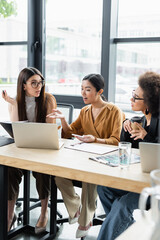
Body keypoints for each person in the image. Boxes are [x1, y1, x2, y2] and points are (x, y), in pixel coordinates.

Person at [47, 73, 124, 238]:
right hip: (84, 157)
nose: (83, 93)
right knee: (59, 175)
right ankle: (75, 209)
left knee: (89, 177)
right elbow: (69, 134)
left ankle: (86, 219)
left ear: (99, 91)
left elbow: (116, 141)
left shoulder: (114, 111)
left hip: (104, 160)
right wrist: (63, 120)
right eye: (82, 89)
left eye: (87, 89)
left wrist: (95, 139)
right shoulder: (84, 111)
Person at [97, 71, 160, 240]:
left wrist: (146, 136)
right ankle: (124, 231)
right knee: (103, 187)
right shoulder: (137, 121)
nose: (131, 100)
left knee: (122, 204)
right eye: (132, 95)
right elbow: (126, 151)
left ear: (150, 102)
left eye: (136, 98)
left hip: (154, 185)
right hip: (137, 178)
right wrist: (125, 130)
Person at [2, 67, 57, 233]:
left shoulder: (48, 99)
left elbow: (50, 130)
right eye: (33, 83)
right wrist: (16, 104)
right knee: (9, 170)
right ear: (23, 85)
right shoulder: (16, 101)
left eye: (40, 83)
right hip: (23, 150)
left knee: (42, 171)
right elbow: (18, 131)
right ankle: (9, 215)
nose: (38, 86)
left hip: (43, 149)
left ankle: (44, 212)